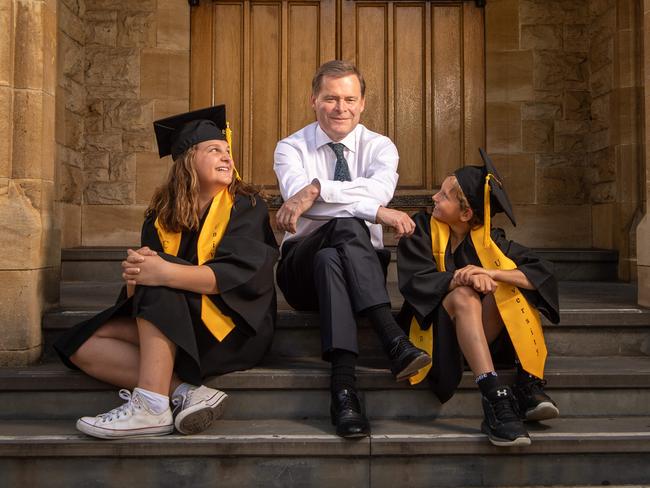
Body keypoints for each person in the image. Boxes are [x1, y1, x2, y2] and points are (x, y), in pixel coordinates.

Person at [54, 105, 279, 439]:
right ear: (188, 159)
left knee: (160, 273)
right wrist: (136, 273)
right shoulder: (160, 216)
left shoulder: (246, 206)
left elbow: (235, 277)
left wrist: (159, 271)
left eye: (228, 151)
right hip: (178, 325)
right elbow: (142, 295)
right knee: (79, 344)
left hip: (231, 332)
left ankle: (150, 407)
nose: (228, 158)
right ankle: (183, 392)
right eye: (214, 149)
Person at [273, 60, 431, 438]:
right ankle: (392, 336)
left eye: (349, 99)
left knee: (334, 254)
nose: (340, 108)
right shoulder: (290, 148)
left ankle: (343, 391)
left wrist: (316, 191)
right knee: (344, 227)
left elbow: (375, 193)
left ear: (362, 103)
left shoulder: (380, 147)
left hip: (358, 269)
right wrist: (375, 212)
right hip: (300, 270)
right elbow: (369, 203)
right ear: (314, 100)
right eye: (330, 98)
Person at [397, 148, 560, 447]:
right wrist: (463, 277)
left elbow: (542, 273)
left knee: (510, 283)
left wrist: (491, 273)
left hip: (481, 336)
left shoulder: (490, 242)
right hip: (437, 338)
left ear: (466, 213)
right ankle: (495, 395)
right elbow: (415, 281)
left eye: (444, 195)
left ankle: (527, 382)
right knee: (463, 295)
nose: (434, 197)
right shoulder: (421, 228)